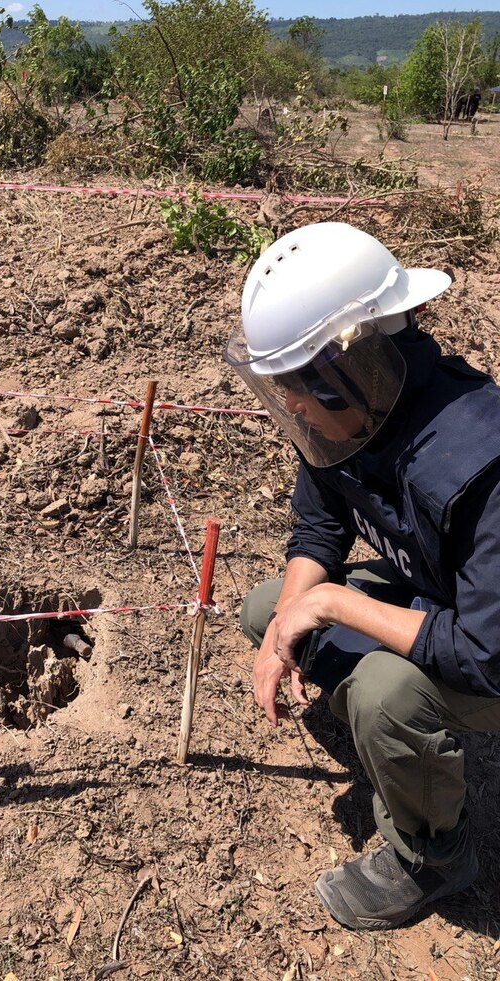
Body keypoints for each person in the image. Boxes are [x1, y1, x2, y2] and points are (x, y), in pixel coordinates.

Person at [224, 221, 500, 931]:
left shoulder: (481, 461)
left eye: (295, 388)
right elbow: (319, 526)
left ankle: (433, 856)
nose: (289, 405)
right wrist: (290, 621)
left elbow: (484, 654)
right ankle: (398, 742)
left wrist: (334, 600)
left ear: (343, 368)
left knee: (383, 695)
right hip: (442, 604)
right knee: (266, 608)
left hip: (491, 646)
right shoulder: (359, 408)